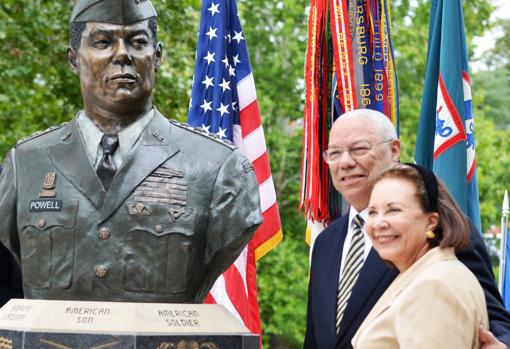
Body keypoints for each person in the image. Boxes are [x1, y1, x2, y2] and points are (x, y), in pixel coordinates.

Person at [0, 0, 262, 303]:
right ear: (73, 59)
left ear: (157, 55)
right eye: (103, 42)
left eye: (137, 42)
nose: (122, 54)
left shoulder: (219, 168)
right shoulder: (25, 164)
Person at [303, 108, 510, 349]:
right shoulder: (325, 242)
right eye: (335, 153)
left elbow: (489, 316)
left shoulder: (443, 231)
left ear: (394, 150)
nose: (346, 162)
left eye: (359, 149)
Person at [352, 163, 488, 348]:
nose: (378, 223)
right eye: (373, 212)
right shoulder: (423, 274)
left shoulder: (435, 285)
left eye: (394, 210)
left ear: (431, 221)